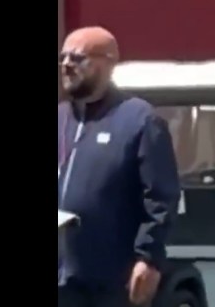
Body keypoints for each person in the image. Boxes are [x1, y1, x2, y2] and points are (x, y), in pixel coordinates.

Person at [58, 26, 181, 307]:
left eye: (77, 58)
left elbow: (161, 198)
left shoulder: (139, 121)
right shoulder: (60, 118)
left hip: (110, 282)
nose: (66, 65)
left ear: (109, 61)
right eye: (62, 57)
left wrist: (148, 258)